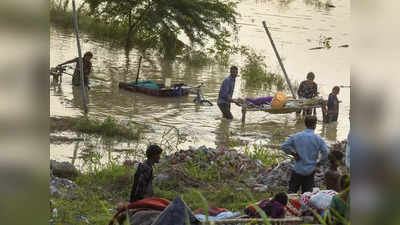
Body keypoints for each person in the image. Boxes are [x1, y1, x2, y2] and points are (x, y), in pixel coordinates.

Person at [281, 115, 328, 194]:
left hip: (298, 169)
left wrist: (294, 154)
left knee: (291, 193)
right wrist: (319, 163)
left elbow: (284, 146)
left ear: (305, 124)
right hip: (310, 171)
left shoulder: (296, 136)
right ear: (315, 125)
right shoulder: (318, 139)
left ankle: (290, 204)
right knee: (306, 194)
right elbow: (325, 152)